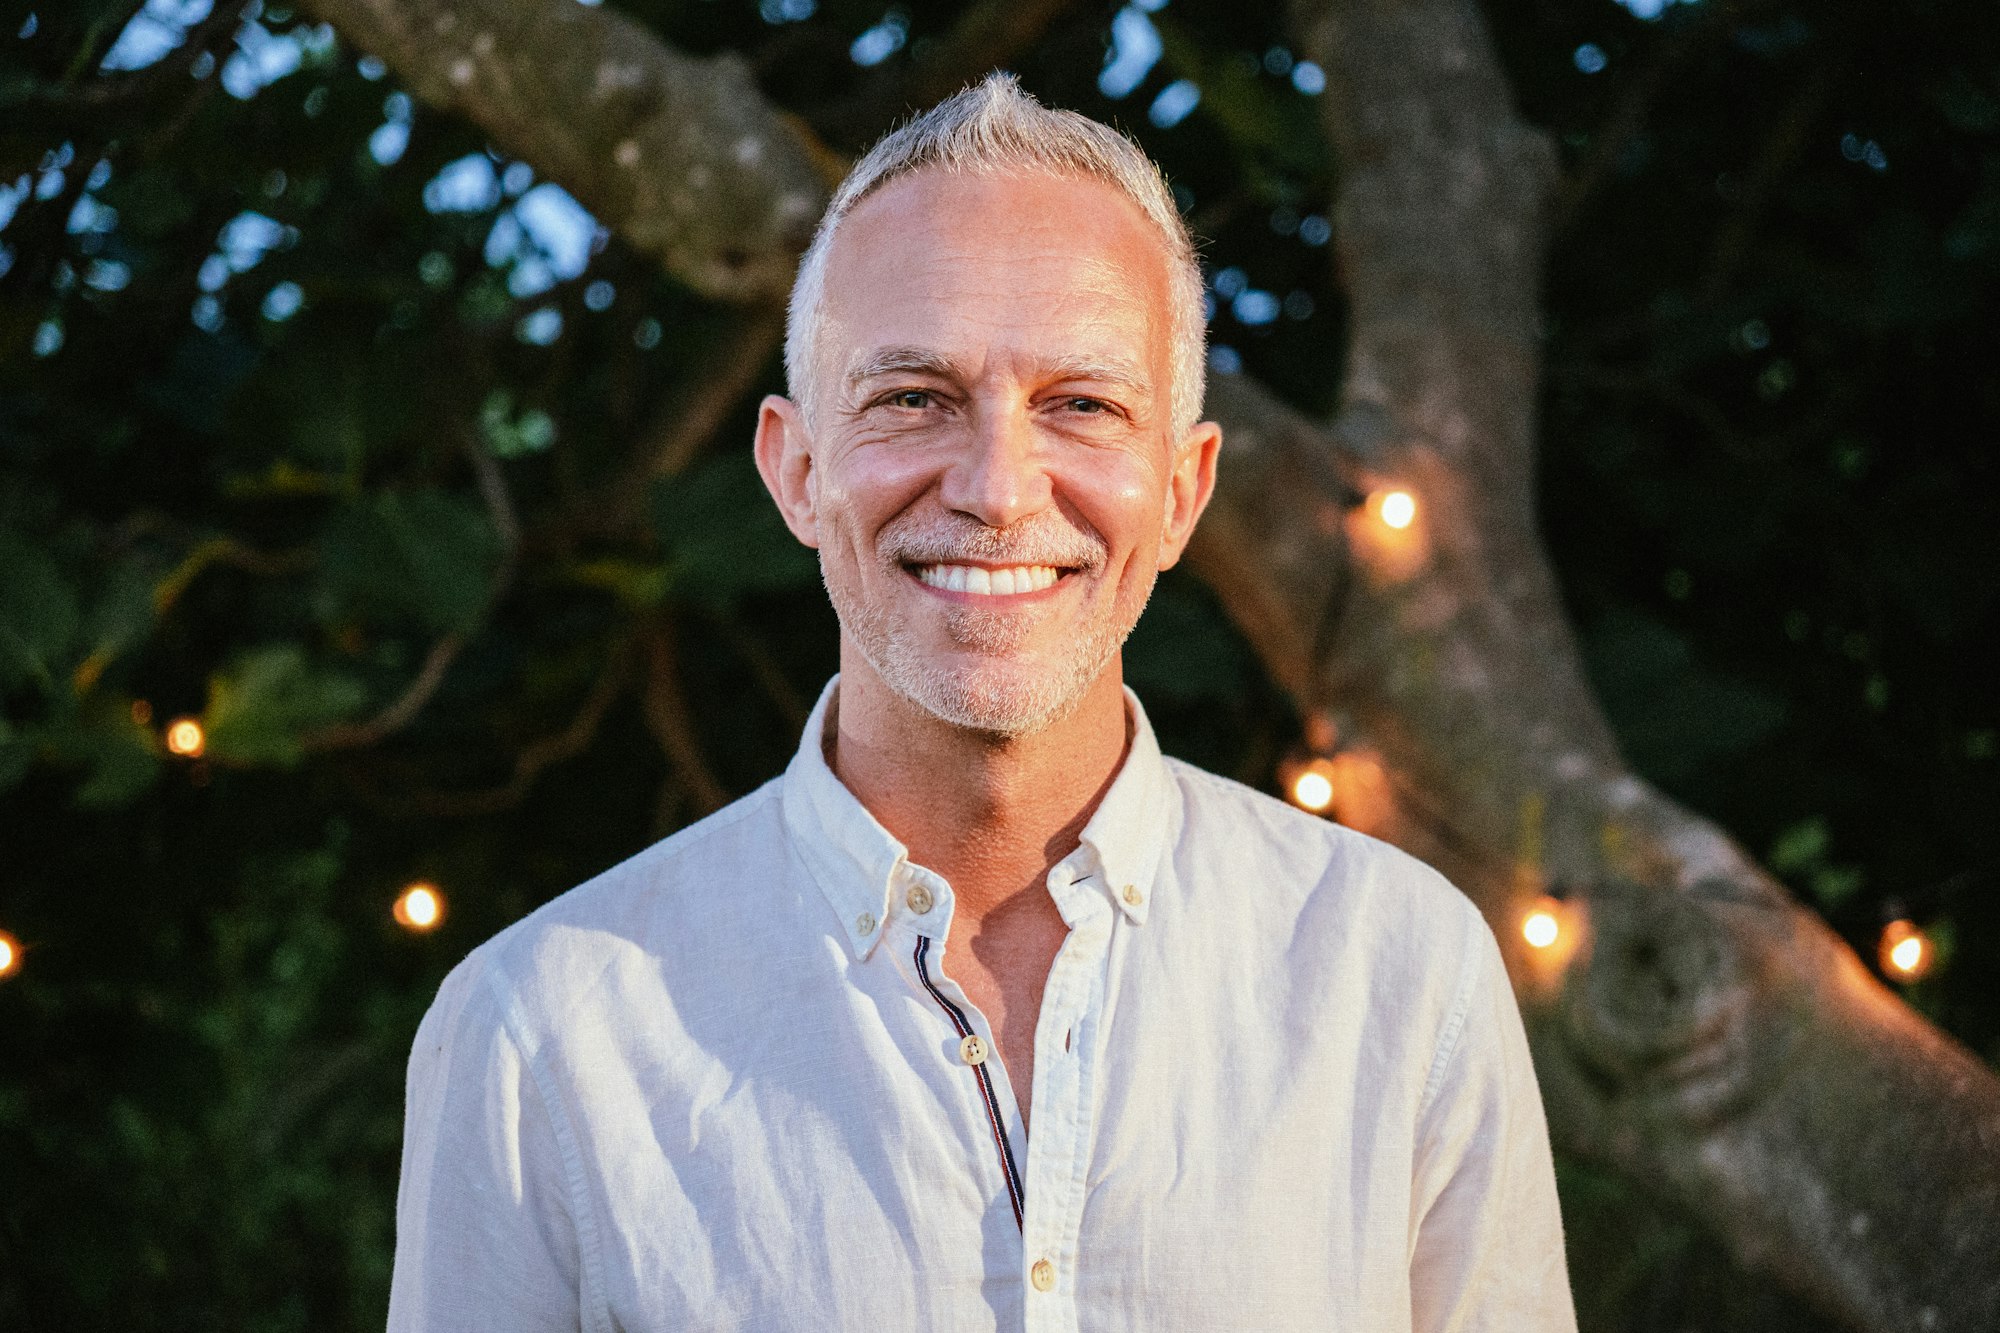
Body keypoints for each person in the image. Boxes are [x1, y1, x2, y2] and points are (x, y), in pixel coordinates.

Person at [387, 75, 1577, 1332]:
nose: (999, 487)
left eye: (1080, 405)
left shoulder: (1398, 975)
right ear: (794, 472)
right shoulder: (542, 1036)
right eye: (914, 399)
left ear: (1181, 491)